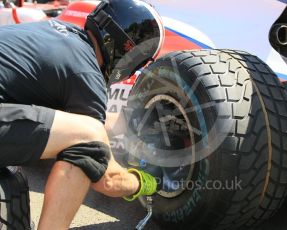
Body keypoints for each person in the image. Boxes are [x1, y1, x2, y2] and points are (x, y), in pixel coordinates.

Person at [0, 0, 164, 229]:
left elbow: (63, 120)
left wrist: (134, 122)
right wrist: (143, 182)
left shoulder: (56, 33)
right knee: (88, 138)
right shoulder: (87, 72)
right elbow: (108, 179)